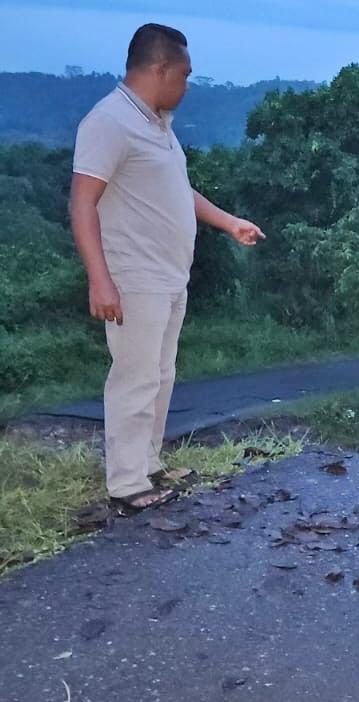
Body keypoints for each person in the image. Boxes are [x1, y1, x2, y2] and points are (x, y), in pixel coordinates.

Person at [70, 23, 264, 512]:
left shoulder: (156, 125)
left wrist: (228, 222)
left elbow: (179, 189)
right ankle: (128, 485)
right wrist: (100, 279)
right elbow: (82, 203)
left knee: (160, 374)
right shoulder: (109, 121)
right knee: (135, 377)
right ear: (160, 70)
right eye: (185, 74)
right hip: (133, 275)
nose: (188, 84)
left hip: (169, 274)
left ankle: (149, 464)